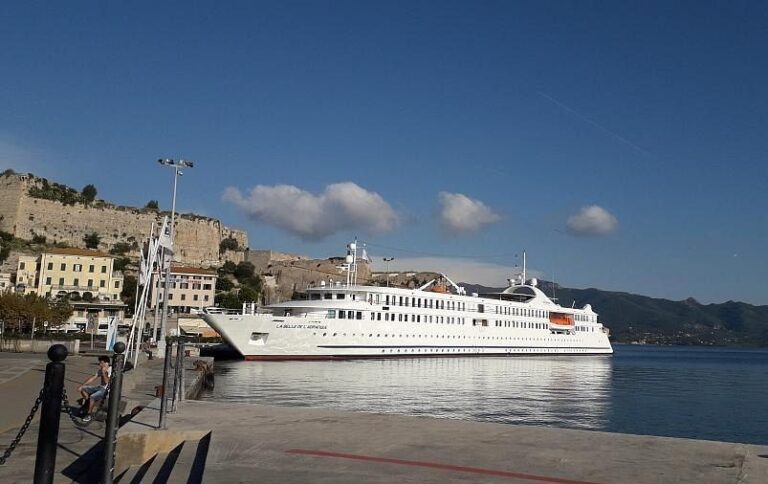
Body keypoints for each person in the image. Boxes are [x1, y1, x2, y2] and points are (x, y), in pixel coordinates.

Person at [78, 355, 111, 422]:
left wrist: (104, 372)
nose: (99, 364)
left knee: (92, 397)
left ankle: (89, 414)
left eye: (101, 363)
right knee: (83, 389)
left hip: (106, 390)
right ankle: (87, 404)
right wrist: (82, 385)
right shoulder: (101, 370)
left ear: (106, 363)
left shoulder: (111, 370)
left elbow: (106, 381)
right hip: (100, 387)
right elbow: (93, 378)